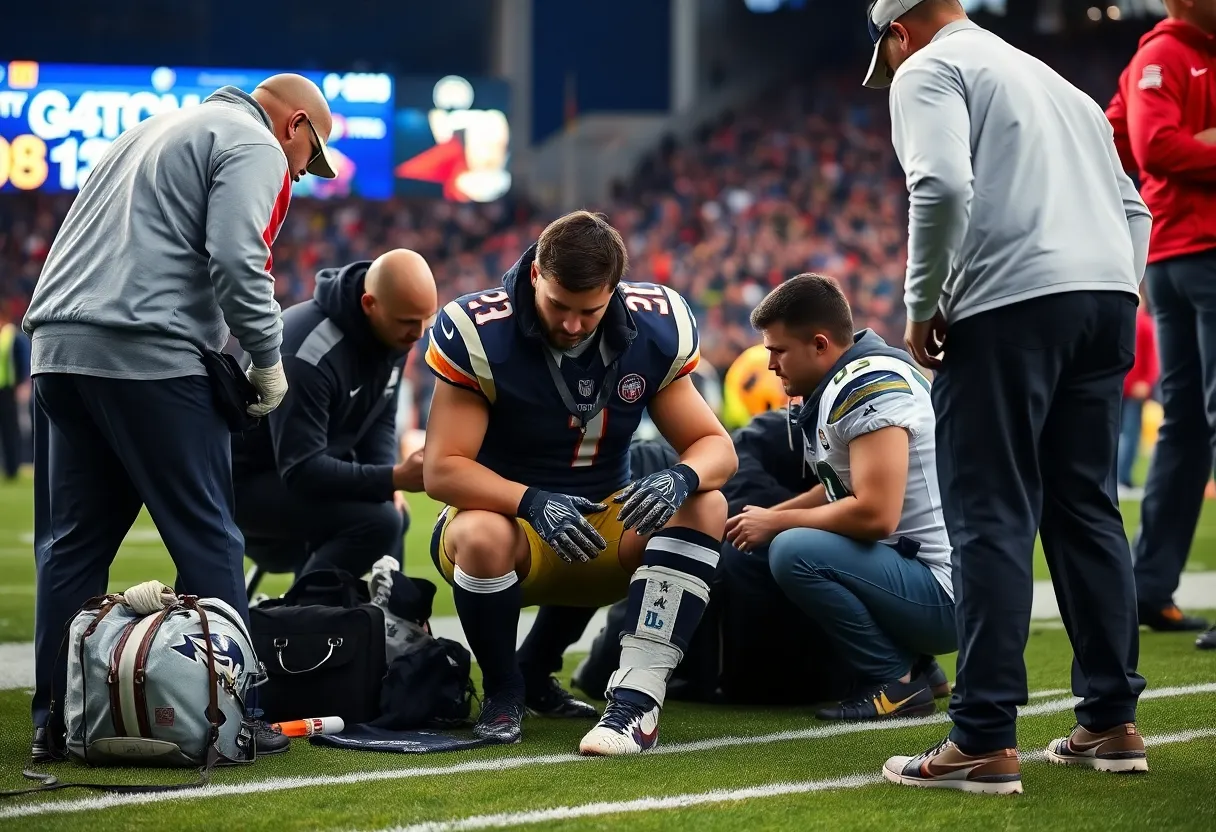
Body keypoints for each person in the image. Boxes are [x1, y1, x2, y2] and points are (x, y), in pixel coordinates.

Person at [863, 0, 1151, 793]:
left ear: (897, 33)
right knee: (1086, 509)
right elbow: (1135, 208)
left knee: (990, 513)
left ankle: (984, 736)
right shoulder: (1062, 86)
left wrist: (923, 304)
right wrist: (1112, 288)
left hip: (1005, 307)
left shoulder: (927, 67)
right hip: (1104, 303)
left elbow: (941, 183)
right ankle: (1111, 721)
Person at [21, 73, 337, 762]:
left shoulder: (145, 131)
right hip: (149, 356)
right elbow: (237, 257)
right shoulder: (254, 142)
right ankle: (234, 716)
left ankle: (56, 720)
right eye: (310, 157)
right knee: (209, 537)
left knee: (72, 547)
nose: (301, 173)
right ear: (295, 125)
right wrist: (267, 358)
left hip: (57, 354)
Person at [423, 210, 737, 753]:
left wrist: (680, 478)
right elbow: (442, 467)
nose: (571, 325)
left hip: (602, 528)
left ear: (614, 291)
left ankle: (636, 699)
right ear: (535, 275)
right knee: (480, 533)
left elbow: (717, 447)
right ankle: (504, 690)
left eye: (588, 311)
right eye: (559, 306)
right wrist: (532, 501)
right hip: (512, 531)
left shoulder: (653, 329)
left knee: (705, 504)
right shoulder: (481, 330)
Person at [727, 274, 956, 721]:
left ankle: (894, 680)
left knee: (793, 551)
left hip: (946, 592)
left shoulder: (867, 385)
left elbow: (876, 515)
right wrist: (762, 517)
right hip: (928, 576)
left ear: (819, 344)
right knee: (781, 540)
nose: (770, 364)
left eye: (778, 350)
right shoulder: (848, 377)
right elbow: (837, 487)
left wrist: (777, 524)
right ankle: (922, 667)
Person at [231, 250, 437, 580]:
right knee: (380, 522)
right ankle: (306, 609)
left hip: (302, 478)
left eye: (428, 318)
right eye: (408, 322)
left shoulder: (392, 331)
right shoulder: (307, 352)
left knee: (394, 513)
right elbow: (301, 469)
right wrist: (392, 478)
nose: (419, 333)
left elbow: (379, 418)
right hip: (250, 487)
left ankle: (383, 609)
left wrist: (386, 484)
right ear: (369, 304)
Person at [1109, 0, 1216, 635]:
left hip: (1173, 260)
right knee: (1192, 420)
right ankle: (1150, 583)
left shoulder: (1150, 60)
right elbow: (1151, 145)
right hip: (1199, 253)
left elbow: (1113, 140)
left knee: (1188, 424)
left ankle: (1150, 587)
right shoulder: (1165, 55)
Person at [1117, 294, 1159, 494]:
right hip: (1121, 387)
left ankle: (1123, 478)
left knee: (1129, 434)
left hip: (1132, 389)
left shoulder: (1144, 324)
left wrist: (1146, 382)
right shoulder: (1135, 322)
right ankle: (1118, 479)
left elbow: (1152, 358)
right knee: (1123, 434)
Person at [0, 318, 30, 480]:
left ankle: (12, 468)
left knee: (10, 428)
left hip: (8, 389)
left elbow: (22, 358)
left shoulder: (11, 335)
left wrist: (23, 383)